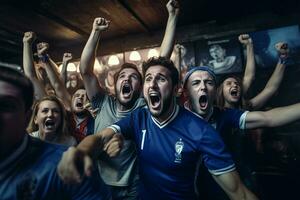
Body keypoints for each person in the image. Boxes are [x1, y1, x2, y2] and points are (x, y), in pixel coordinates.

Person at [58, 57, 258, 200]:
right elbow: (101, 137)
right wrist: (81, 152)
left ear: (177, 89)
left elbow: (238, 193)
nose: (152, 84)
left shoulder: (202, 132)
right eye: (148, 79)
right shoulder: (139, 117)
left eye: (161, 79)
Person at [78, 0, 179, 199]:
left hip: (133, 185)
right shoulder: (102, 102)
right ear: (114, 87)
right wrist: (95, 32)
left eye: (133, 78)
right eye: (122, 76)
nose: (127, 79)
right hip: (99, 182)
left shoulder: (143, 105)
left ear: (140, 88)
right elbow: (85, 71)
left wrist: (173, 17)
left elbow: (163, 59)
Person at [183, 66, 300, 199]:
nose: (203, 87)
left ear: (214, 91)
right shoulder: (177, 118)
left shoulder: (226, 115)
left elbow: (268, 117)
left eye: (209, 83)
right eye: (196, 83)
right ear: (185, 92)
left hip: (232, 181)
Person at [0, 65, 111, 199]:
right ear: (35, 118)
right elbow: (57, 85)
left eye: (6, 106)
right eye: (77, 95)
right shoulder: (68, 118)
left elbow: (98, 137)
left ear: (27, 117)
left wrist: (81, 153)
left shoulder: (64, 165)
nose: (50, 114)